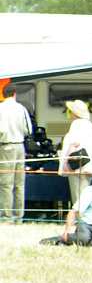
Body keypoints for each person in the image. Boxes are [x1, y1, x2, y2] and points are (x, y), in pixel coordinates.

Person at [0, 84, 33, 222]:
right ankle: (19, 216)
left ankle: (7, 216)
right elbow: (29, 130)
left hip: (5, 146)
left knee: (6, 183)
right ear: (14, 94)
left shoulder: (0, 108)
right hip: (20, 147)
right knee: (20, 183)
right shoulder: (22, 108)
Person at [58, 99, 92, 206]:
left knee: (78, 196)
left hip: (76, 166)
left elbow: (74, 144)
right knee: (84, 193)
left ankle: (79, 219)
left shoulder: (77, 124)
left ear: (74, 113)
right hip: (87, 165)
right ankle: (82, 217)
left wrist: (66, 162)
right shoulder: (89, 125)